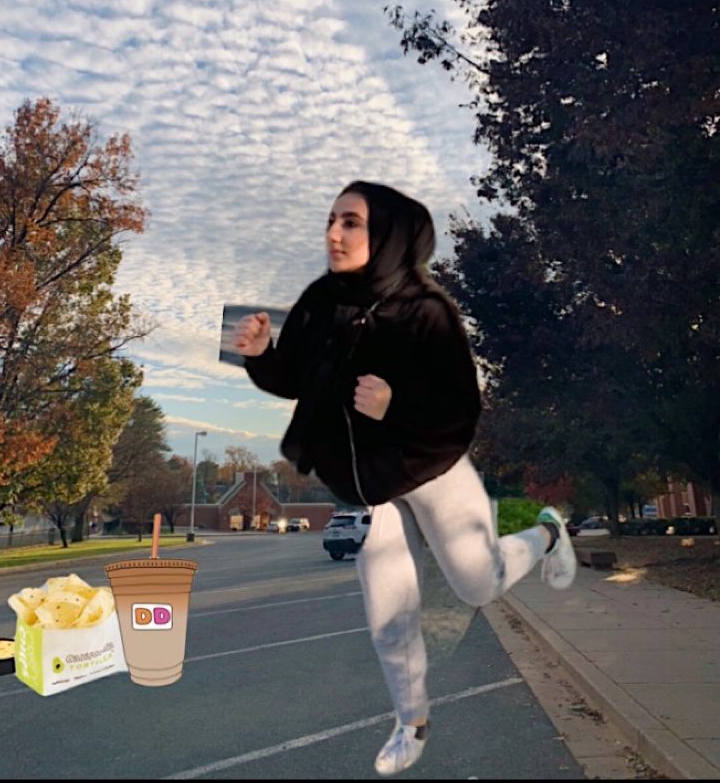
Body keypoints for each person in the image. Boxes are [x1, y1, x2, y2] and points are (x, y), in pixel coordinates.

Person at [234, 181, 577, 777]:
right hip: (373, 487)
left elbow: (461, 413)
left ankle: (547, 533)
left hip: (433, 470)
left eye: (351, 222)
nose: (333, 234)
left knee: (477, 584)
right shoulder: (322, 299)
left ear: (387, 233)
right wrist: (262, 353)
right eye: (331, 220)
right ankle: (412, 722)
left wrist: (397, 404)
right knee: (389, 617)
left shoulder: (429, 312)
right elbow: (295, 378)